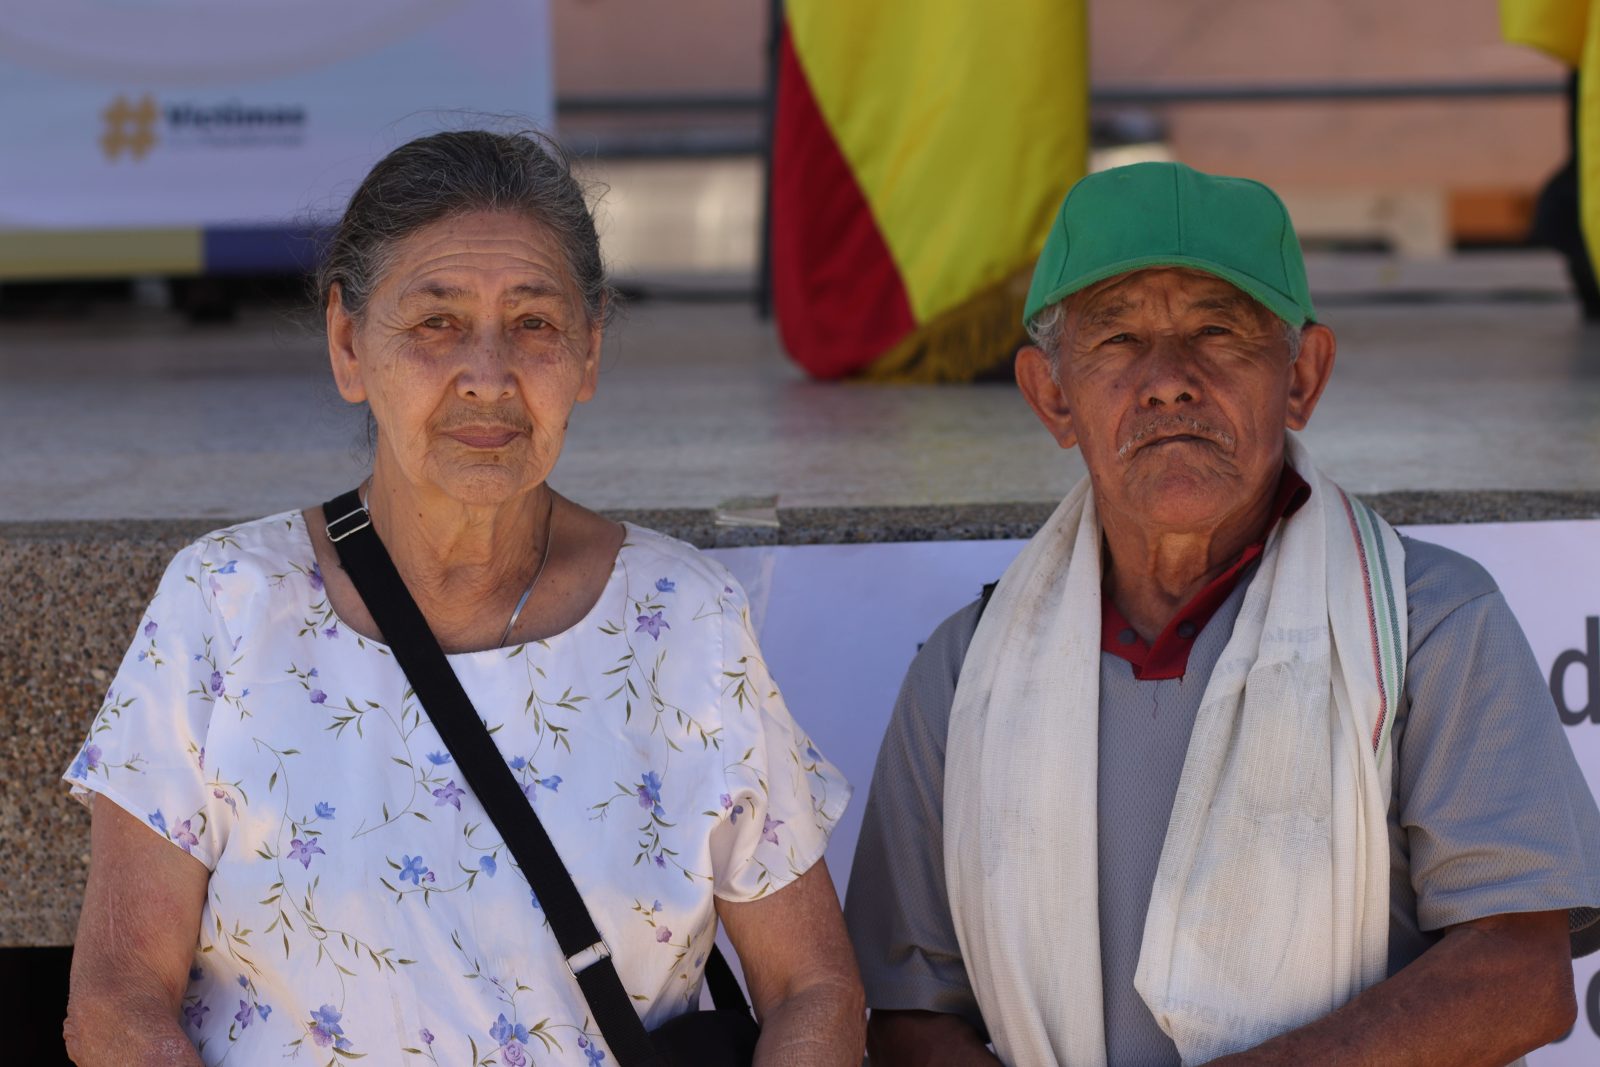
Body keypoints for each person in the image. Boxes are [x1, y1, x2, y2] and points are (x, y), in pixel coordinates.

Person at [61, 129, 864, 1067]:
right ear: (349, 345)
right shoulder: (225, 606)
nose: (487, 374)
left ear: (590, 352)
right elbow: (116, 997)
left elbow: (815, 986)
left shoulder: (686, 621)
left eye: (533, 323)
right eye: (435, 322)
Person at [845, 161, 1600, 1067]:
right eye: (1118, 338)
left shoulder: (1428, 622)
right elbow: (905, 1016)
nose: (1169, 381)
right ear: (1053, 396)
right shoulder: (967, 672)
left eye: (1218, 330)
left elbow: (1521, 973)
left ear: (1301, 377)